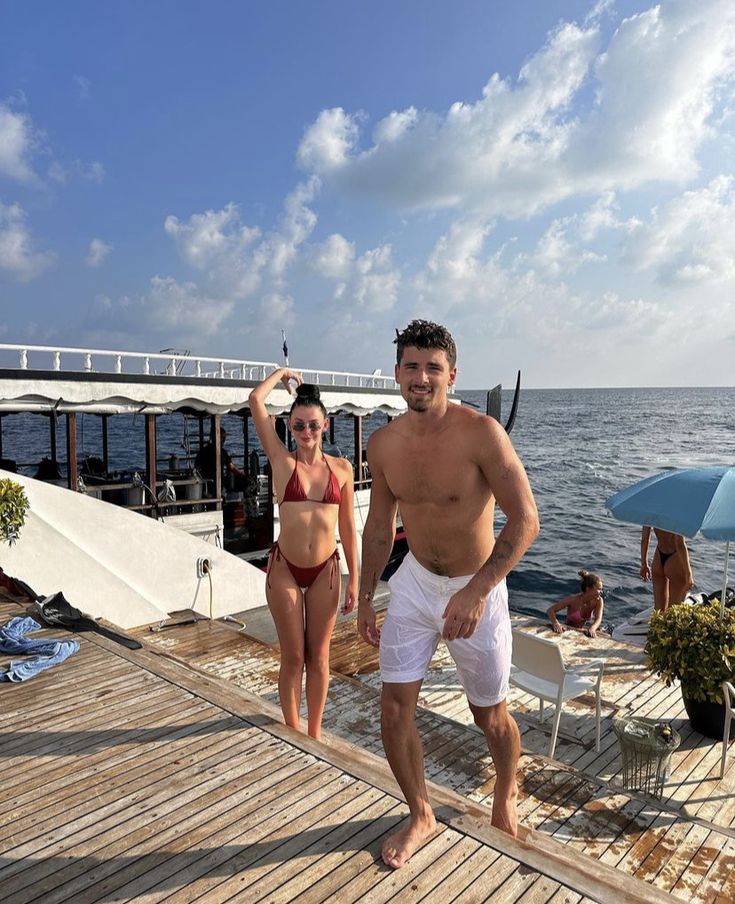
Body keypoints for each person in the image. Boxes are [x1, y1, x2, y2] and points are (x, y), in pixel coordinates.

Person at [357, 320, 539, 869]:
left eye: (432, 367)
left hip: (475, 585)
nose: (421, 377)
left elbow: (525, 520)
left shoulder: (481, 434)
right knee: (393, 710)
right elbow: (379, 528)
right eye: (411, 366)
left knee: (491, 717)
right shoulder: (383, 443)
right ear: (396, 374)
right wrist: (365, 596)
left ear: (451, 375)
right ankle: (420, 812)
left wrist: (480, 589)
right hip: (414, 582)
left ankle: (505, 794)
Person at [249, 369, 359, 739]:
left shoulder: (341, 470)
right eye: (299, 426)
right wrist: (280, 374)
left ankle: (314, 733)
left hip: (326, 570)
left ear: (325, 425)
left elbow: (347, 529)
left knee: (320, 658)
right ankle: (293, 730)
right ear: (290, 427)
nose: (306, 432)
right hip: (285, 570)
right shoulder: (282, 462)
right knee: (294, 657)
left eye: (313, 425)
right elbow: (255, 401)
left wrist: (355, 579)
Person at [640, 526, 693, 612]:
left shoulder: (650, 512)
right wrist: (688, 574)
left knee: (658, 611)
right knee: (673, 612)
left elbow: (644, 539)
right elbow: (679, 543)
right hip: (674, 557)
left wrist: (644, 563)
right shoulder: (675, 512)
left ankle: (657, 624)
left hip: (658, 557)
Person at [547, 570, 605, 638]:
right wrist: (556, 623)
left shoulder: (599, 601)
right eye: (599, 589)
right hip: (568, 631)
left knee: (607, 636)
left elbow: (598, 619)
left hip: (582, 631)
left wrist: (593, 628)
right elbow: (550, 610)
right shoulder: (573, 599)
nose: (601, 592)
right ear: (588, 588)